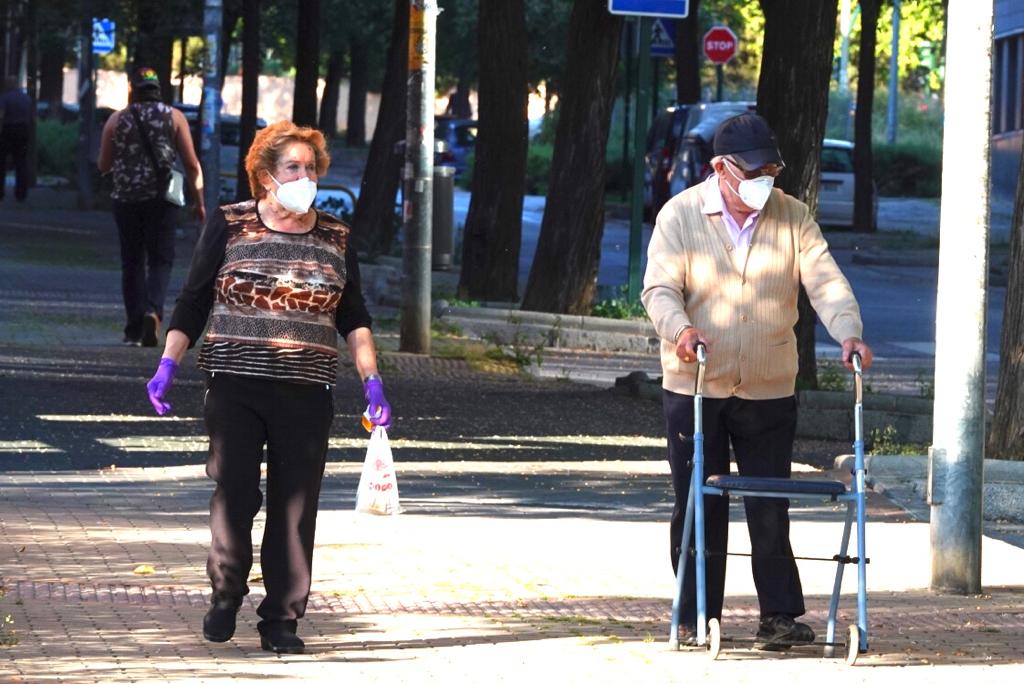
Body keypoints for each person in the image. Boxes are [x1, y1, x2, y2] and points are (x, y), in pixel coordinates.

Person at [144, 120, 392, 655]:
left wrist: (371, 380)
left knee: (295, 507)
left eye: (311, 168)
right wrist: (168, 364)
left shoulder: (336, 236)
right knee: (235, 491)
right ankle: (226, 591)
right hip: (235, 384)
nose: (305, 178)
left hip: (306, 390)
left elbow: (354, 316)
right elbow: (194, 299)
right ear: (265, 176)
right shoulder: (231, 223)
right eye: (293, 168)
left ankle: (281, 619)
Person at [642, 113, 873, 651]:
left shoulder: (792, 215)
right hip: (696, 383)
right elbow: (659, 289)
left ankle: (779, 616)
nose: (763, 182)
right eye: (752, 172)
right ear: (720, 169)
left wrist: (849, 333)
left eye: (770, 171)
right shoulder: (680, 214)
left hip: (768, 384)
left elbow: (826, 282)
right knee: (698, 504)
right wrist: (680, 330)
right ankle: (695, 614)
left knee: (770, 503)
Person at [98, 67, 205, 347]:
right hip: (162, 200)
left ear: (132, 89)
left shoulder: (117, 120)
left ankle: (133, 328)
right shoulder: (175, 117)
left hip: (126, 199)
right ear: (158, 89)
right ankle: (153, 311)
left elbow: (103, 164)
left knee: (132, 261)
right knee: (161, 259)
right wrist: (200, 202)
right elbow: (192, 164)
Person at [0, 76, 32, 202]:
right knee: (21, 162)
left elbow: (1, 115)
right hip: (23, 130)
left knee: (1, 161)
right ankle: (21, 193)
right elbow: (31, 116)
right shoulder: (26, 98)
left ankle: (0, 192)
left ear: (9, 84)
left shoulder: (5, 98)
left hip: (8, 130)